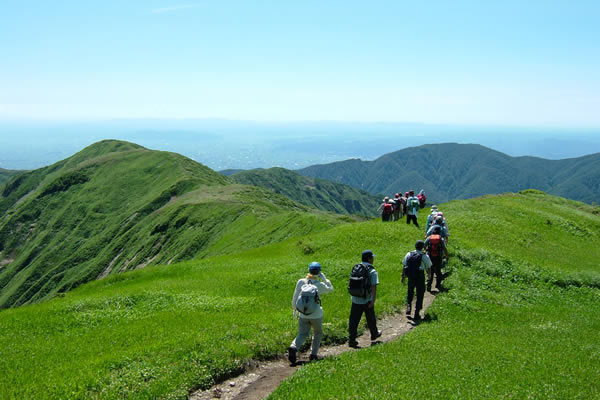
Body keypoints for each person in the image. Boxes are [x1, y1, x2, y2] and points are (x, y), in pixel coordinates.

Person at [288, 261, 334, 364]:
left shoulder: (301, 282)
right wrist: (325, 279)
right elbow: (331, 289)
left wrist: (295, 309)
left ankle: (294, 347)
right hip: (317, 314)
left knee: (302, 333)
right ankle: (313, 354)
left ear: (308, 270)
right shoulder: (319, 285)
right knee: (317, 333)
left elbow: (295, 298)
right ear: (319, 272)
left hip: (303, 314)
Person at [348, 250, 382, 348]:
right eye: (372, 257)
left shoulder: (356, 267)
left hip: (355, 299)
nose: (373, 259)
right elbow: (373, 286)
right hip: (366, 299)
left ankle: (351, 340)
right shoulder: (372, 271)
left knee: (353, 320)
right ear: (369, 258)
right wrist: (373, 300)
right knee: (371, 318)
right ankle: (374, 334)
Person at [402, 240, 432, 321]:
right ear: (423, 247)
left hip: (411, 276)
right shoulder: (424, 256)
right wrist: (429, 277)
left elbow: (404, 265)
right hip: (420, 276)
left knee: (410, 291)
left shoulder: (409, 254)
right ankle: (416, 313)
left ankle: (408, 305)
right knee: (420, 294)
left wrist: (403, 276)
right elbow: (429, 267)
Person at [424, 226, 449, 291]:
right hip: (438, 257)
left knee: (430, 271)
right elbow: (444, 248)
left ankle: (429, 285)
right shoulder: (440, 238)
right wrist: (447, 256)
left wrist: (426, 250)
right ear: (439, 232)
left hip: (430, 257)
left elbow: (424, 245)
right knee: (438, 271)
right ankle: (438, 285)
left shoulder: (429, 238)